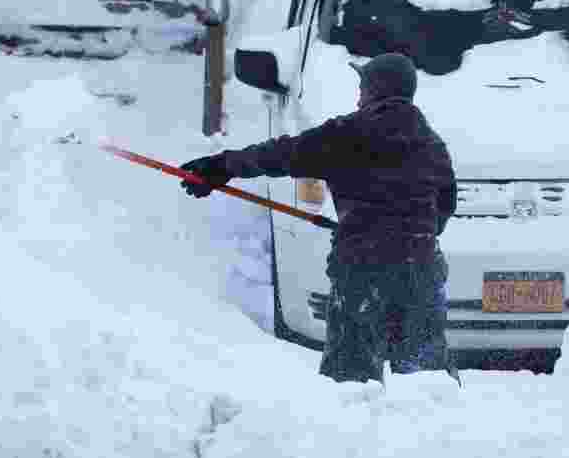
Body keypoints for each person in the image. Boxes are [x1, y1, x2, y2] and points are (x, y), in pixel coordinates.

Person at [180, 53, 460, 385]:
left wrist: (221, 166)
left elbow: (281, 154)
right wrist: (406, 233)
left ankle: (351, 432)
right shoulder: (431, 143)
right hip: (421, 269)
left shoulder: (347, 134)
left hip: (363, 270)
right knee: (427, 384)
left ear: (375, 90)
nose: (359, 96)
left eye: (363, 87)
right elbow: (445, 205)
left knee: (351, 383)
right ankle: (431, 430)